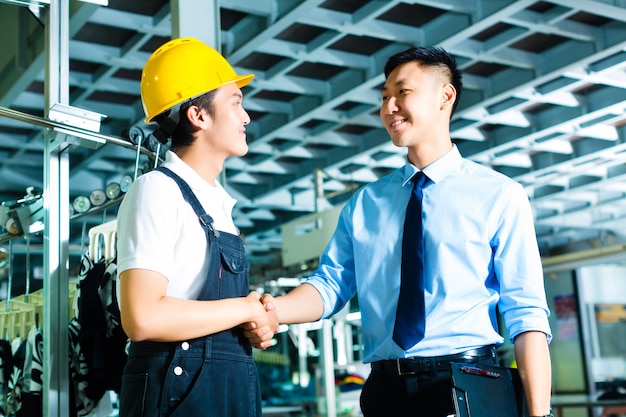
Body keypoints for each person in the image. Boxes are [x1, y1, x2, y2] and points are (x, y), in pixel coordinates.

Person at [246, 46, 553, 417]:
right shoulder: (365, 204)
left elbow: (527, 315)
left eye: (402, 92)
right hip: (385, 391)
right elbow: (329, 286)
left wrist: (539, 414)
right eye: (384, 97)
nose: (389, 107)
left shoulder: (499, 195)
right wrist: (271, 309)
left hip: (468, 384)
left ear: (446, 95)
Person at [116, 37, 275, 417]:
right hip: (179, 393)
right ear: (198, 116)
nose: (246, 117)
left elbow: (210, 310)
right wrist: (243, 308)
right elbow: (143, 317)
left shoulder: (218, 205)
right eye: (236, 102)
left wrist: (255, 322)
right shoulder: (157, 189)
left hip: (226, 392)